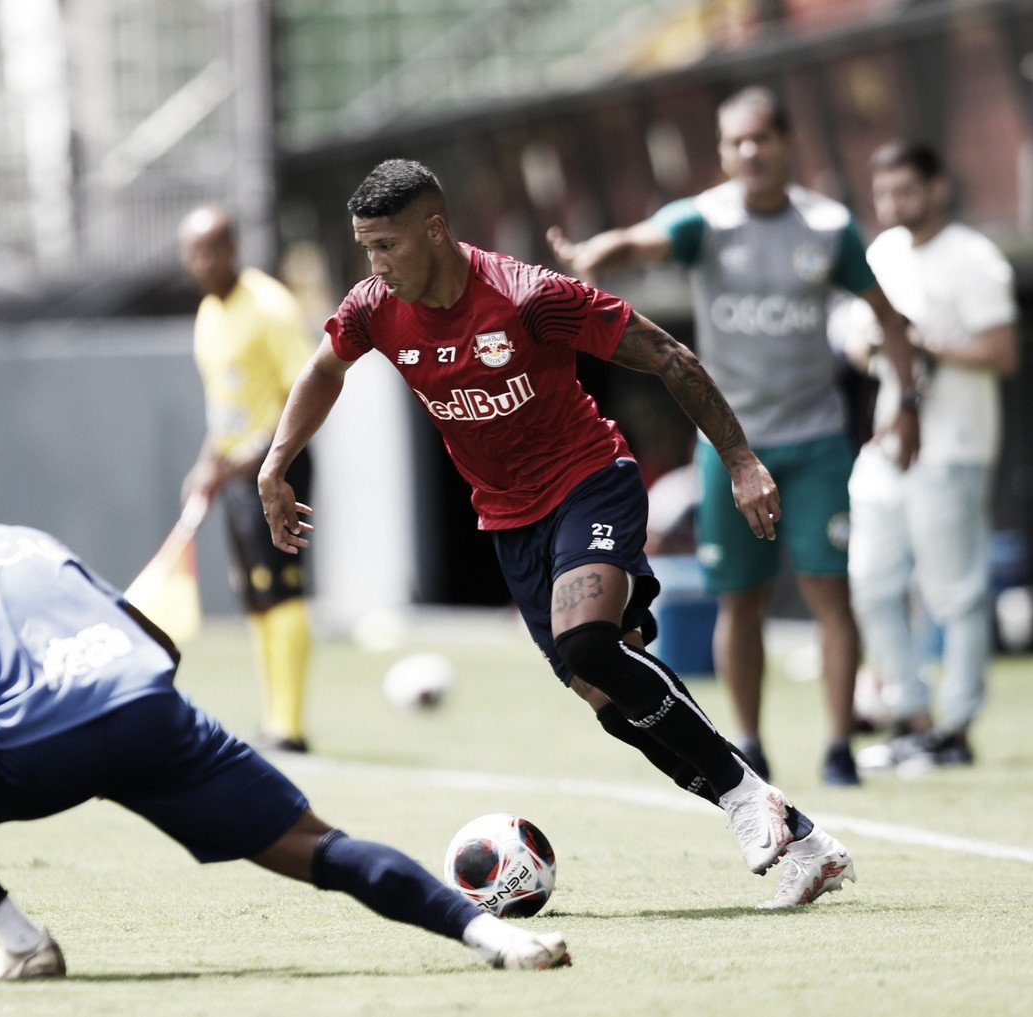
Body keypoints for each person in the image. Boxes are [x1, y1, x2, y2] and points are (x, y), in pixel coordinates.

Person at [258, 157, 854, 909]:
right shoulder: (375, 307)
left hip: (589, 481)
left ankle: (744, 795)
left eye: (387, 246)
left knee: (587, 642)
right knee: (611, 701)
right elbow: (322, 370)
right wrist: (277, 463)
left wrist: (739, 459)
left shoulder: (528, 296)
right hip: (509, 520)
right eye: (366, 248)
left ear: (434, 231)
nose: (374, 265)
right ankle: (802, 837)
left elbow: (668, 356)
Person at [0, 455, 570, 980]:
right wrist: (151, 741)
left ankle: (22, 942)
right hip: (147, 709)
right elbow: (151, 637)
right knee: (322, 846)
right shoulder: (24, 538)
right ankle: (491, 936)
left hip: (35, 750)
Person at [546, 85, 922, 787]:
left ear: (787, 145)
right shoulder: (706, 221)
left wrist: (905, 405)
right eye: (736, 142)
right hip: (729, 445)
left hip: (816, 441)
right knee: (739, 599)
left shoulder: (828, 227)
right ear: (722, 154)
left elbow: (889, 317)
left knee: (828, 593)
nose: (750, 151)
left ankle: (840, 744)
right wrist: (596, 252)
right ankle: (750, 740)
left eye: (763, 138)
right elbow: (640, 239)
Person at [845, 141, 1019, 771]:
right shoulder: (882, 252)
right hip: (890, 440)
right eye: (884, 191)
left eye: (906, 191)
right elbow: (856, 341)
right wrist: (877, 343)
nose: (894, 203)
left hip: (955, 444)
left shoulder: (973, 257)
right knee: (870, 581)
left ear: (937, 187)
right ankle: (913, 716)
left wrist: (921, 342)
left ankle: (955, 726)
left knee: (957, 592)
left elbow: (1003, 353)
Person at [178, 204, 316, 752]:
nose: (203, 261)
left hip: (280, 465)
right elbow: (226, 409)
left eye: (213, 249)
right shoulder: (209, 314)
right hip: (237, 471)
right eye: (194, 252)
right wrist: (207, 463)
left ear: (234, 248)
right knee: (254, 593)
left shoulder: (270, 306)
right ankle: (271, 717)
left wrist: (260, 460)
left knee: (282, 588)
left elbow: (299, 394)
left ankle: (291, 725)